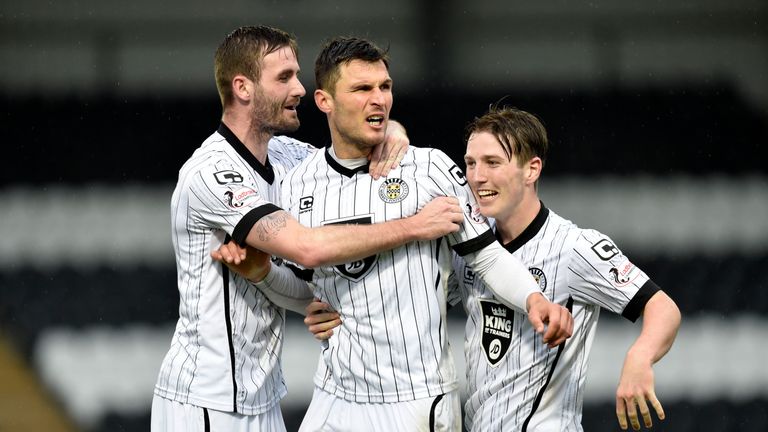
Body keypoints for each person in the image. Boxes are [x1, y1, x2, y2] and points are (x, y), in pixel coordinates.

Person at [151, 25, 466, 432]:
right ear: (243, 88)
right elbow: (308, 249)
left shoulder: (288, 158)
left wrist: (392, 131)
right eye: (284, 78)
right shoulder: (211, 173)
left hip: (262, 397)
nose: (299, 89)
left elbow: (345, 154)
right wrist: (415, 226)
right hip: (205, 401)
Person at [308, 106, 682, 431]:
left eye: (492, 163)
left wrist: (639, 357)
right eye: (470, 163)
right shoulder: (468, 246)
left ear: (531, 169)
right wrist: (335, 314)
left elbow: (663, 308)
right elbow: (407, 292)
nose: (477, 177)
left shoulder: (574, 247)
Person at [266, 36, 573, 432]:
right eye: (362, 89)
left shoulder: (429, 169)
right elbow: (303, 283)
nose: (379, 99)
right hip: (335, 392)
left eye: (385, 87)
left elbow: (487, 256)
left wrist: (533, 298)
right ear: (325, 101)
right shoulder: (297, 186)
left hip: (414, 399)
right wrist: (284, 290)